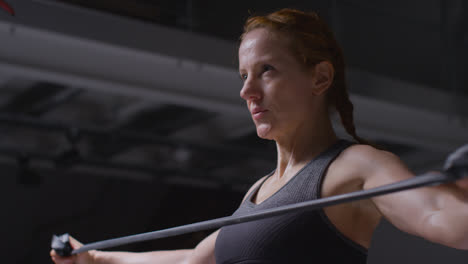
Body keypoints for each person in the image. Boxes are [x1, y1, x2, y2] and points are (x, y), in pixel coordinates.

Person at [51, 8, 468, 264]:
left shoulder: (356, 166)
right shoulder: (258, 191)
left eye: (267, 70)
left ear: (320, 77)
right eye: (244, 75)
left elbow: (436, 213)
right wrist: (98, 258)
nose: (247, 91)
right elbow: (193, 260)